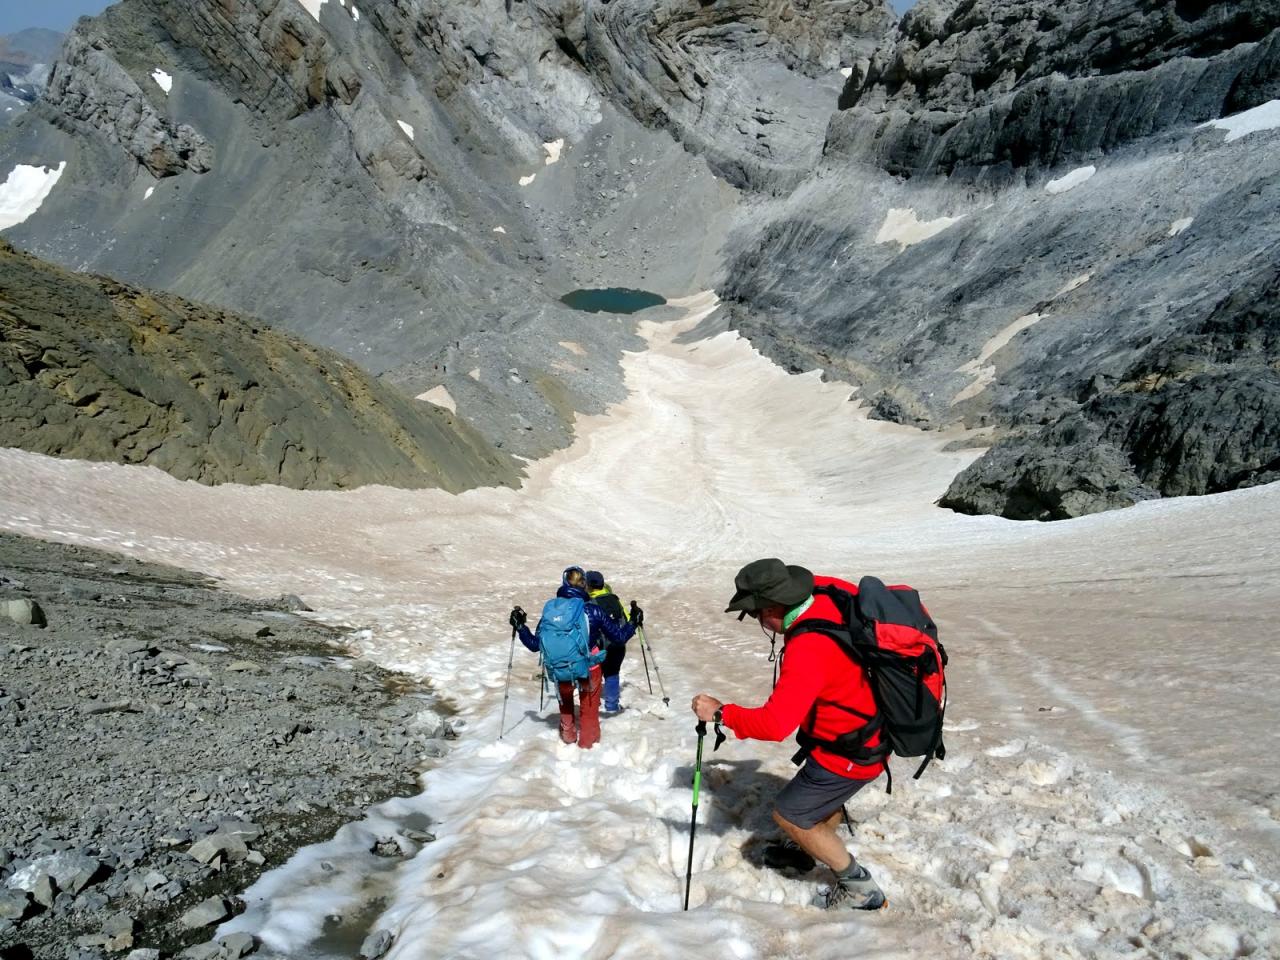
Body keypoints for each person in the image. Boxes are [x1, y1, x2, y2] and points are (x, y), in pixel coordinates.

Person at [690, 558, 888, 911]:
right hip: (859, 731)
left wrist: (721, 713)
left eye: (754, 614)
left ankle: (861, 889)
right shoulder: (826, 594)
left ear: (773, 607)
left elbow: (775, 725)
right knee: (810, 801)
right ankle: (804, 849)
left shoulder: (809, 647)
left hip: (852, 750)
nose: (756, 621)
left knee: (790, 815)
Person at [511, 566, 639, 749]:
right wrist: (634, 621)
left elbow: (534, 644)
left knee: (566, 702)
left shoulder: (551, 611)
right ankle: (588, 744)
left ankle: (568, 734)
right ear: (584, 585)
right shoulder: (593, 610)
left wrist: (521, 627)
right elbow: (618, 637)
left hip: (561, 667)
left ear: (564, 583)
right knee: (588, 707)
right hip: (589, 667)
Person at [584, 570, 630, 713]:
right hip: (618, 645)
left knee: (594, 674)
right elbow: (627, 619)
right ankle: (611, 706)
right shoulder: (614, 599)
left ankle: (593, 703)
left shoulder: (588, 602)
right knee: (612, 674)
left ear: (588, 585)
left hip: (598, 647)